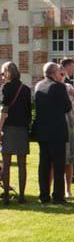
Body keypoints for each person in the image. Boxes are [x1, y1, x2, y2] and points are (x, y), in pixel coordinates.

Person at [33, 62, 71, 204]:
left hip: (43, 132)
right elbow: (67, 107)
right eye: (59, 72)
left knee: (44, 165)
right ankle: (58, 196)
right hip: (57, 132)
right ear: (54, 73)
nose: (61, 74)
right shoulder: (59, 87)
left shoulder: (38, 86)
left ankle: (43, 195)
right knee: (58, 165)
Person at [0, 61, 31, 204]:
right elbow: (28, 111)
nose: (2, 76)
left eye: (3, 73)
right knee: (22, 163)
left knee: (6, 164)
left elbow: (4, 111)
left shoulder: (5, 88)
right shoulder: (26, 89)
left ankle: (6, 195)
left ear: (8, 72)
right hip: (22, 129)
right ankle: (22, 196)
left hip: (8, 129)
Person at [56, 63, 74, 198]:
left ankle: (68, 189)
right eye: (60, 74)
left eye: (63, 74)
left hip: (70, 125)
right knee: (55, 160)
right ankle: (55, 189)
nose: (62, 77)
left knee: (70, 159)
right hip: (57, 126)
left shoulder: (68, 87)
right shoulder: (51, 87)